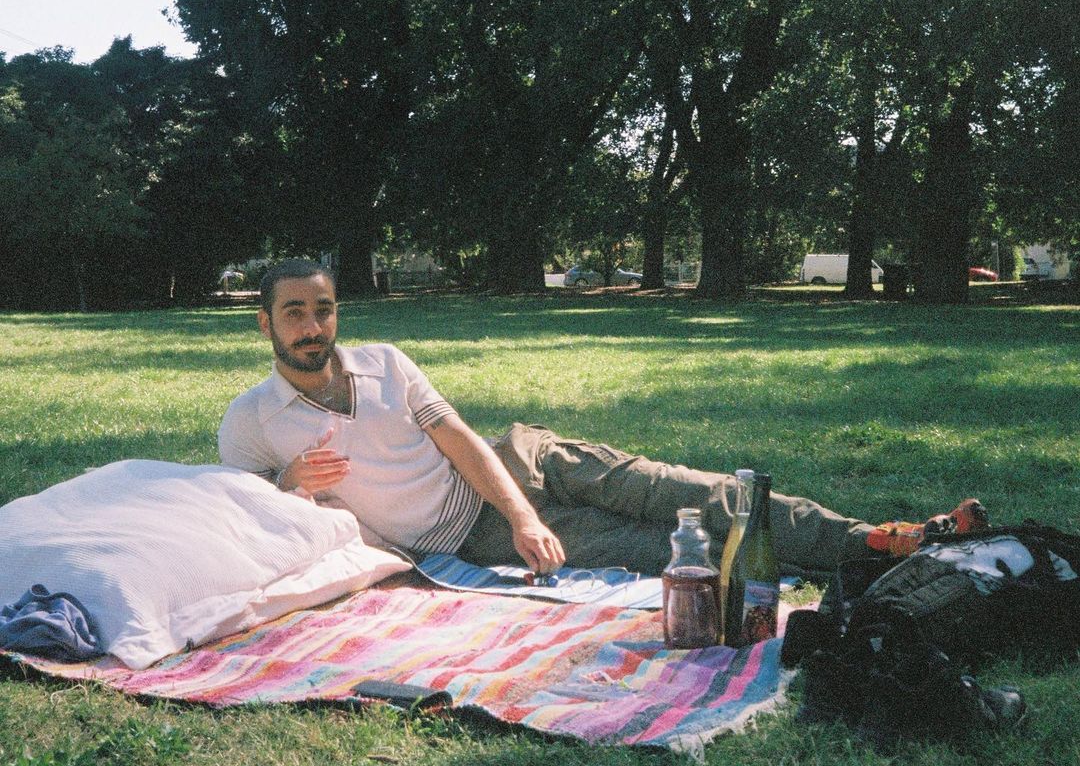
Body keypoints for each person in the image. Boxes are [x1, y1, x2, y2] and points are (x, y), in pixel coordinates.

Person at [218, 259, 987, 580]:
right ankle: (873, 565)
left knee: (695, 492)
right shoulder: (251, 422)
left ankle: (876, 538)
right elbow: (249, 521)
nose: (313, 327)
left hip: (519, 466)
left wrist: (523, 515)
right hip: (468, 539)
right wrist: (289, 484)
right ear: (265, 324)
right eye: (296, 313)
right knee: (668, 552)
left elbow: (461, 443)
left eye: (324, 309)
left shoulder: (385, 362)